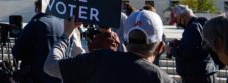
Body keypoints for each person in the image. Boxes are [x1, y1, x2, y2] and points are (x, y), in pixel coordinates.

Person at [44, 10, 175, 83]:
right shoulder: (163, 79)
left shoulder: (99, 59)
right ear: (160, 47)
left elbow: (50, 66)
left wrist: (66, 34)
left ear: (125, 40)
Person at [12, 0, 66, 83]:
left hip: (36, 76)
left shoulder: (36, 23)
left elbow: (17, 52)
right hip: (58, 76)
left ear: (37, 8)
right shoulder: (63, 24)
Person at [165, 4, 217, 83]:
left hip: (196, 76)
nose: (177, 23)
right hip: (205, 72)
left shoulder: (192, 28)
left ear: (183, 16)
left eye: (177, 20)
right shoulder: (202, 23)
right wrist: (181, 42)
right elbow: (198, 45)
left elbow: (187, 53)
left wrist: (171, 50)